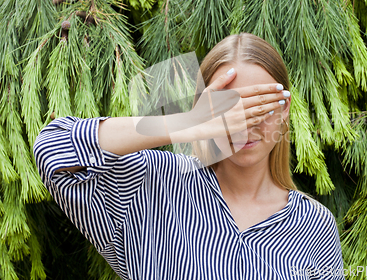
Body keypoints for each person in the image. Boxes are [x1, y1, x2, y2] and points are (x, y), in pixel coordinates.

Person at [33, 33, 345, 279]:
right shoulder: (156, 187)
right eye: (228, 107)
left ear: (283, 108)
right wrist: (186, 123)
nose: (245, 124)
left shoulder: (314, 227)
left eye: (259, 106)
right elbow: (54, 148)